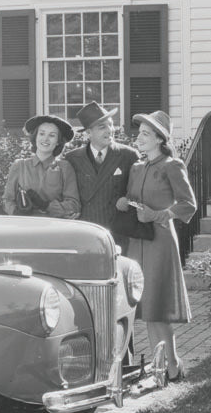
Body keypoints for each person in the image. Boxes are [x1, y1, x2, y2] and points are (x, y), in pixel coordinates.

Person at [116, 111, 196, 383]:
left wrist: (159, 214)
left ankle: (172, 366)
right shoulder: (137, 167)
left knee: (158, 305)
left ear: (161, 140)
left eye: (146, 134)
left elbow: (188, 204)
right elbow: (135, 197)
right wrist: (125, 202)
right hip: (138, 240)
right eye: (139, 133)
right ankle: (158, 366)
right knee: (146, 306)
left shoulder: (172, 166)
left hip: (160, 240)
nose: (139, 138)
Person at [65, 101, 138, 247]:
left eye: (111, 124)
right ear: (88, 133)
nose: (110, 130)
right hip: (85, 231)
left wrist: (127, 201)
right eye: (102, 127)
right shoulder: (72, 159)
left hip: (119, 233)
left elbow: (139, 193)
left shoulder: (128, 155)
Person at [2, 114, 79, 218]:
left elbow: (73, 205)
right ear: (35, 137)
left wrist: (45, 205)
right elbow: (7, 200)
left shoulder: (64, 167)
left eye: (52, 135)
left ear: (58, 141)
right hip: (25, 227)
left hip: (55, 227)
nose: (45, 139)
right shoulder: (20, 166)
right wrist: (17, 212)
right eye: (42, 134)